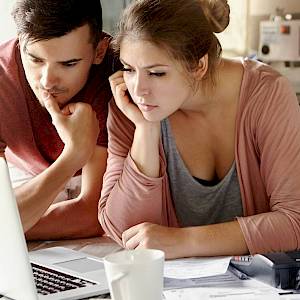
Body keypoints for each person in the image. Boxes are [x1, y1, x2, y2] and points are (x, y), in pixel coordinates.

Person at [99, 0, 300, 259]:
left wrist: (183, 241)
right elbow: (123, 231)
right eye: (129, 69)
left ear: (199, 66)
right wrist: (146, 131)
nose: (138, 89)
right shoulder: (131, 107)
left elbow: (294, 222)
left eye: (157, 73)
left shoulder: (266, 94)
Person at [0, 0, 115, 240]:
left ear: (99, 52)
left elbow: (91, 215)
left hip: (100, 191)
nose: (47, 81)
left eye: (69, 64)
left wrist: (12, 228)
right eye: (35, 59)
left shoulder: (117, 74)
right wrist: (75, 154)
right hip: (23, 177)